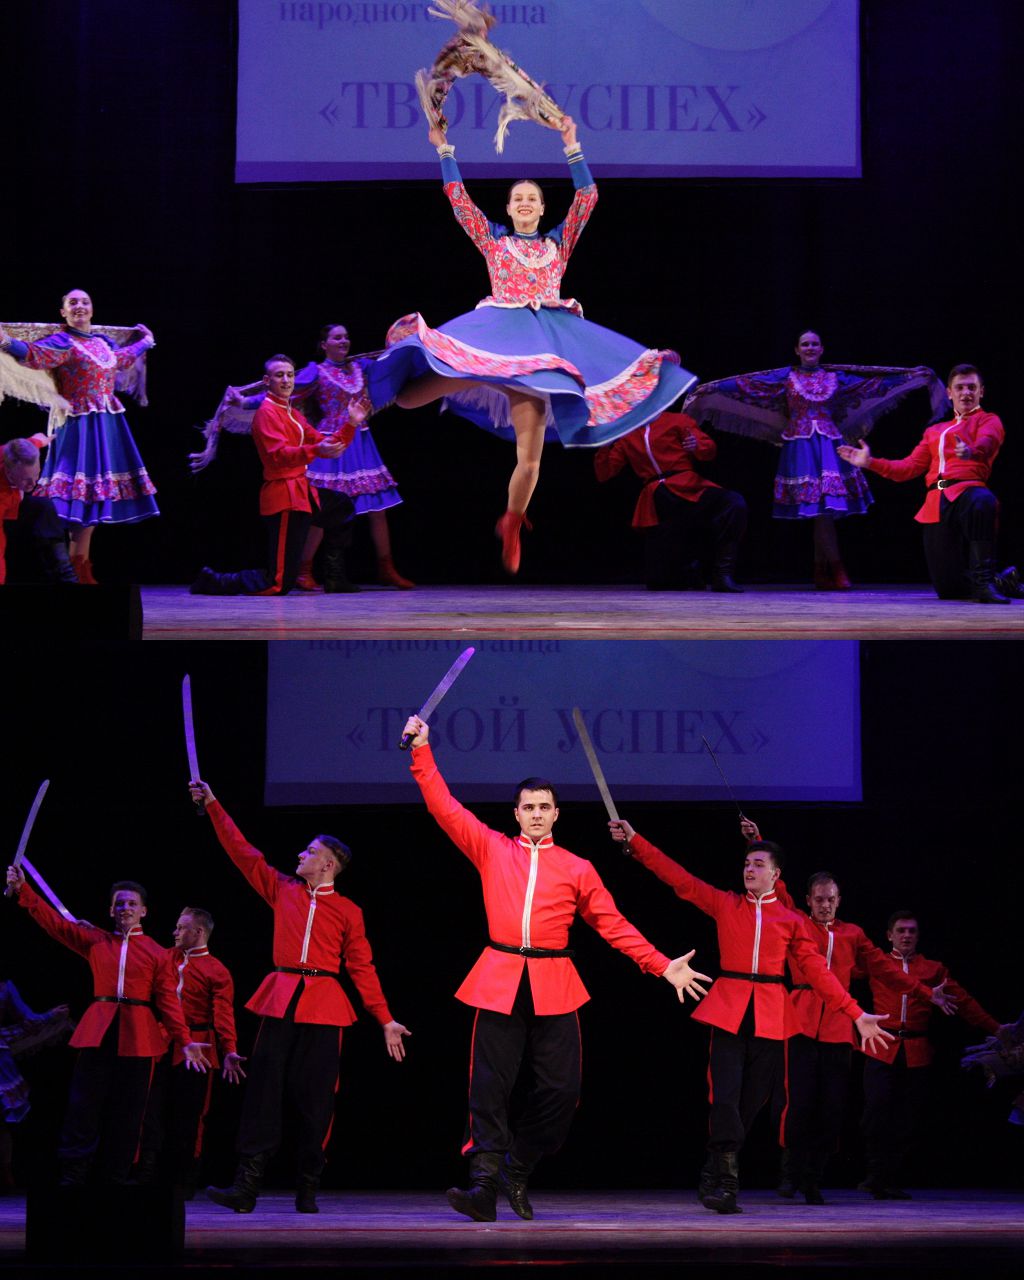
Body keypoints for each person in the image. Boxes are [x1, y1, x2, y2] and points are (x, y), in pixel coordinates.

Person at [402, 713, 710, 1223]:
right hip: (500, 977)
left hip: (554, 984)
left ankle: (516, 1168)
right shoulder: (492, 848)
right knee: (488, 1088)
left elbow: (613, 924)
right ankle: (483, 1185)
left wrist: (661, 966)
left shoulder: (577, 868)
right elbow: (444, 806)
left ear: (557, 814)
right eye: (528, 807)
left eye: (545, 807)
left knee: (561, 1092)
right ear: (516, 814)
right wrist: (421, 751)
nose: (537, 814)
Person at [370, 116, 696, 575]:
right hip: (495, 340)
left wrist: (572, 145)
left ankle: (512, 520)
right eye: (518, 198)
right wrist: (443, 147)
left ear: (542, 209)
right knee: (408, 399)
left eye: (532, 199)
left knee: (529, 461)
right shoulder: (494, 241)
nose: (525, 203)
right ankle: (376, 389)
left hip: (541, 352)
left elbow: (587, 198)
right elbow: (458, 200)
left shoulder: (558, 244)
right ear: (508, 208)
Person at [607, 819, 893, 1215]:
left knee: (751, 1103)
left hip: (772, 1015)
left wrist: (855, 1013)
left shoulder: (792, 921)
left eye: (759, 864)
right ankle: (727, 1183)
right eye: (747, 863)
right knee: (724, 1098)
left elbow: (817, 973)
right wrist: (636, 842)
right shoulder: (727, 904)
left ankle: (714, 1164)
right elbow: (679, 878)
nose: (749, 869)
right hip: (729, 1009)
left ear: (776, 874)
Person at [188, 778, 410, 1214]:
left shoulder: (348, 911)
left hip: (324, 1005)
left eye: (309, 852)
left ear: (327, 864)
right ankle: (246, 1186)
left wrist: (384, 1018)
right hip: (281, 997)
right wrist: (213, 804)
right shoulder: (282, 889)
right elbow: (242, 852)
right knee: (263, 1091)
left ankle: (308, 1187)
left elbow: (362, 967)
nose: (299, 856)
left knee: (316, 1098)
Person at [737, 821, 956, 1204]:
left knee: (833, 1107)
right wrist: (756, 841)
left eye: (831, 899)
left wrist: (926, 993)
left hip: (839, 1029)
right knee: (797, 1102)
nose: (825, 904)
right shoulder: (796, 922)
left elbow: (886, 970)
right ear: (809, 900)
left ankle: (814, 1177)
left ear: (839, 901)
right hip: (800, 1023)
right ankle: (791, 1172)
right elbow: (777, 887)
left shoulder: (853, 934)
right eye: (819, 899)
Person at [682, 332, 945, 589]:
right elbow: (748, 386)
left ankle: (824, 570)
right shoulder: (785, 376)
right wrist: (712, 389)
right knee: (821, 511)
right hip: (801, 446)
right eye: (805, 344)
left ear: (821, 349)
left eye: (814, 344)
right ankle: (834, 568)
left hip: (830, 445)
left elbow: (871, 385)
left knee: (824, 510)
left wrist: (910, 377)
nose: (810, 348)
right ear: (797, 350)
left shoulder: (836, 377)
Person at [4, 869, 210, 1185]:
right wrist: (23, 890)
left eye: (132, 903)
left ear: (143, 911)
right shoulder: (96, 940)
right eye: (119, 904)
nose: (125, 908)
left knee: (130, 1110)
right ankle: (74, 1173)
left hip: (138, 1035)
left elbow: (169, 1001)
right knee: (83, 1104)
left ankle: (116, 1176)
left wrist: (185, 1040)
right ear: (111, 910)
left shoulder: (157, 953)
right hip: (99, 1030)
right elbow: (55, 925)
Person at [0, 290, 158, 584]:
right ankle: (66, 570)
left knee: (93, 497)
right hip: (78, 425)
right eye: (72, 303)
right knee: (73, 496)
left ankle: (79, 565)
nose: (79, 306)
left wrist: (146, 343)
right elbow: (34, 354)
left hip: (106, 423)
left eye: (85, 302)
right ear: (63, 312)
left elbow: (121, 359)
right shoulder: (63, 342)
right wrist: (6, 342)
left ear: (92, 310)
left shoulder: (102, 343)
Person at [837, 364, 1020, 603]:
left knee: (982, 500)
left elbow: (988, 442)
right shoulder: (935, 431)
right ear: (949, 393)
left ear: (981, 392)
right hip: (936, 501)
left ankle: (985, 583)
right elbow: (907, 468)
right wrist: (870, 462)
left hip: (968, 490)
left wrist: (971, 451)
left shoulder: (989, 420)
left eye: (971, 388)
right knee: (949, 590)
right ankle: (1002, 581)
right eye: (960, 388)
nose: (966, 393)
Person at [858, 910, 1004, 1199]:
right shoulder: (877, 963)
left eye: (911, 931)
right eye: (901, 930)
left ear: (918, 935)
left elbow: (963, 1001)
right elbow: (837, 971)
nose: (906, 935)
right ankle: (875, 1174)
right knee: (876, 1111)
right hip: (882, 1046)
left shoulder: (932, 969)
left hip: (916, 1051)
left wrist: (997, 1029)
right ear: (889, 935)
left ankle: (889, 1178)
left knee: (906, 1117)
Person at [190, 355, 355, 596]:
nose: (286, 380)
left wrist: (352, 423)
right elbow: (279, 455)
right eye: (280, 375)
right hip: (285, 498)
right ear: (267, 381)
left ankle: (334, 577)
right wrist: (316, 449)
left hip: (302, 494)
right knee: (277, 583)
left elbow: (326, 443)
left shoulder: (292, 414)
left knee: (342, 507)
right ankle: (214, 581)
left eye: (290, 375)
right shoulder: (266, 413)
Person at [136, 907, 243, 1195]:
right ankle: (146, 1174)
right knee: (150, 1108)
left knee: (190, 1114)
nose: (175, 932)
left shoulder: (217, 970)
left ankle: (183, 1180)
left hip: (198, 1046)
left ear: (198, 932)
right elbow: (138, 952)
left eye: (181, 927)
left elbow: (223, 1014)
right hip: (162, 1041)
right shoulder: (166, 957)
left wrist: (229, 1050)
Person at [593, 410, 748, 592]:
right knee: (659, 582)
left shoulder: (677, 420)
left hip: (687, 486)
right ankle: (689, 571)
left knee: (733, 503)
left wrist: (696, 445)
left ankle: (723, 574)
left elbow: (709, 451)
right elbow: (604, 473)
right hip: (658, 500)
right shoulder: (628, 433)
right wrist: (604, 446)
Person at [0, 980, 73, 1192]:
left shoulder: (5, 986)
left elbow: (29, 1020)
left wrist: (51, 1016)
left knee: (2, 1125)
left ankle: (5, 1175)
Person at [1, 436, 78, 584]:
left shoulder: (13, 452)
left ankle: (66, 574)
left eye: (36, 475)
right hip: (4, 518)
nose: (33, 483)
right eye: (26, 479)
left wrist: (43, 440)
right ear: (9, 473)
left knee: (44, 506)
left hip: (14, 507)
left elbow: (34, 441)